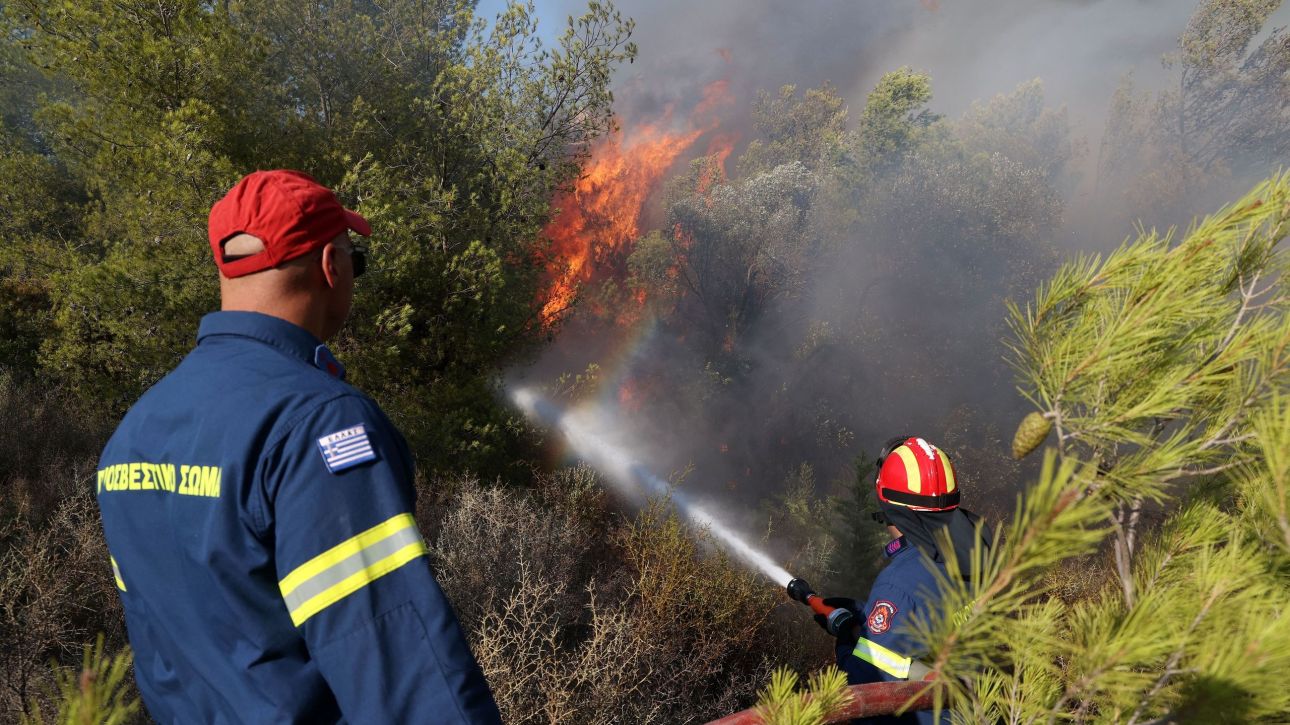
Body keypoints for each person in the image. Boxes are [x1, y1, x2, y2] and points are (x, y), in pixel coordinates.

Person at [95, 170, 501, 723]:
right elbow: (396, 661)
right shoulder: (320, 424)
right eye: (354, 261)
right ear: (332, 267)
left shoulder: (134, 431)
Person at [815, 436, 991, 725]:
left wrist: (846, 644)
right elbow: (932, 613)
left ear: (888, 505)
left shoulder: (898, 584)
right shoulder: (977, 547)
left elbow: (865, 691)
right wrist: (865, 613)